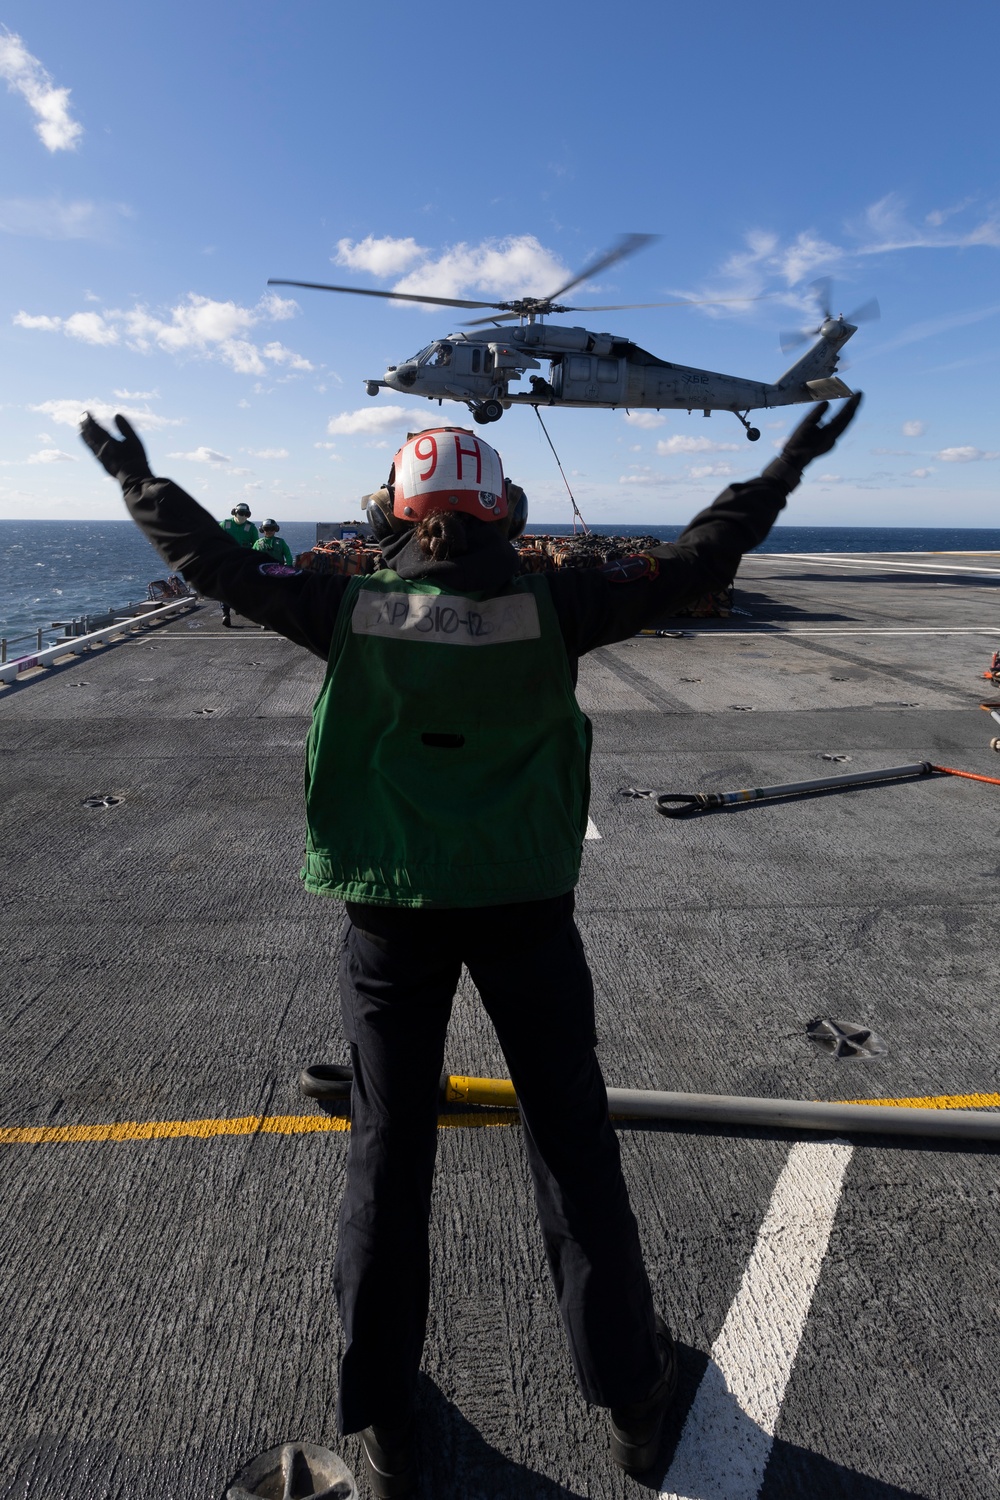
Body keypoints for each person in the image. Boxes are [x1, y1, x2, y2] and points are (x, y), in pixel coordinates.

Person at [79, 397, 862, 1498]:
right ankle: (634, 1400)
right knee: (571, 1144)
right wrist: (782, 461)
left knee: (386, 1155)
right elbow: (702, 554)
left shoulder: (340, 605)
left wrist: (139, 480)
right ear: (505, 509)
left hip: (389, 914)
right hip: (525, 908)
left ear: (392, 513)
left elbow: (215, 565)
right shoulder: (563, 602)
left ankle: (387, 1422)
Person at [220, 503, 259, 625]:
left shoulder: (251, 528)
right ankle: (226, 614)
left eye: (245, 514)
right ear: (234, 512)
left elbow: (256, 546)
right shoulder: (225, 524)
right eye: (240, 513)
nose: (243, 516)